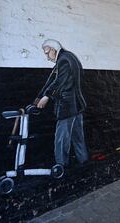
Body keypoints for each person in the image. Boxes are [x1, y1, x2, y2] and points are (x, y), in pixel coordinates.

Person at [35, 39, 89, 168]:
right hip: (76, 105)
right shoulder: (66, 57)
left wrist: (46, 96)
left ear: (53, 50)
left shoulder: (64, 60)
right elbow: (52, 79)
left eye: (47, 53)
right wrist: (38, 98)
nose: (47, 57)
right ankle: (84, 161)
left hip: (67, 105)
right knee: (77, 136)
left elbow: (59, 81)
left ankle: (61, 165)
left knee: (61, 138)